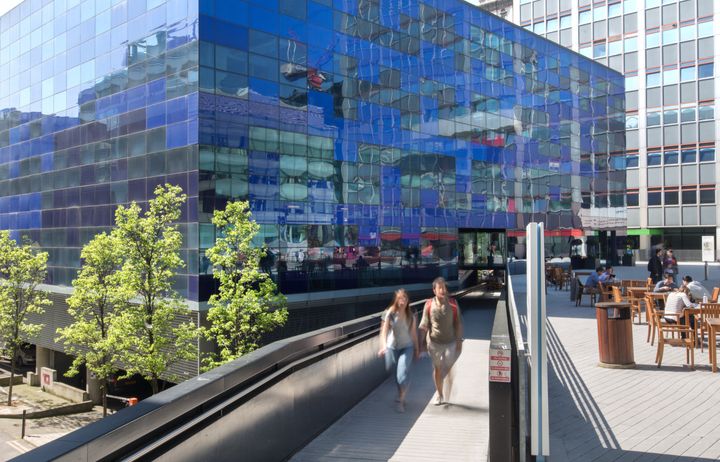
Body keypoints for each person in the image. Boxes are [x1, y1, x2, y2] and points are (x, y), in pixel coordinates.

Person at [419, 277, 463, 406]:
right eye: (440, 288)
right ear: (434, 290)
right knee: (438, 369)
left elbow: (458, 323)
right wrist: (421, 344)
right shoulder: (428, 305)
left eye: (445, 287)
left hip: (450, 342)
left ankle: (448, 380)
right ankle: (439, 394)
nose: (443, 290)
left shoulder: (453, 304)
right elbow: (424, 325)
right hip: (434, 342)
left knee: (447, 367)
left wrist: (459, 340)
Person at [378, 289, 419, 413]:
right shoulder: (390, 312)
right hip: (392, 347)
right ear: (396, 300)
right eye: (400, 298)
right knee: (395, 374)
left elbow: (413, 333)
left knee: (401, 375)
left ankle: (400, 400)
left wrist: (417, 348)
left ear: (408, 300)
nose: (403, 301)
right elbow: (383, 332)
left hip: (407, 346)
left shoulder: (411, 314)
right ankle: (402, 392)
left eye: (405, 298)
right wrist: (384, 346)